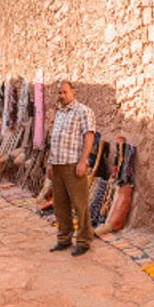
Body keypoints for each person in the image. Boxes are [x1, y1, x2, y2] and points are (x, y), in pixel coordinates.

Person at [46, 81, 96, 257]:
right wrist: (50, 164)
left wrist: (83, 161)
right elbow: (55, 140)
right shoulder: (59, 112)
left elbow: (89, 136)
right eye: (59, 93)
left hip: (74, 165)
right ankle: (64, 239)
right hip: (58, 165)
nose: (62, 96)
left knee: (79, 204)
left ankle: (83, 241)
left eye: (65, 92)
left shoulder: (83, 111)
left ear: (72, 92)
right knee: (60, 205)